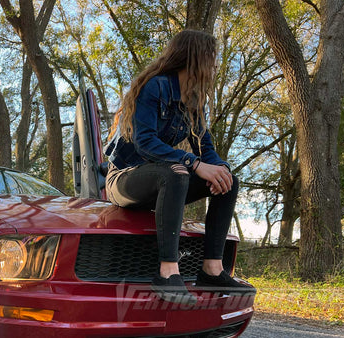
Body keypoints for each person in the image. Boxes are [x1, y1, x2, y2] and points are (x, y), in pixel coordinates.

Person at [104, 30, 254, 304]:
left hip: (162, 178)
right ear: (194, 58)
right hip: (124, 179)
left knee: (228, 180)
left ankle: (212, 268)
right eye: (211, 57)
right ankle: (167, 272)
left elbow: (205, 147)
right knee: (177, 172)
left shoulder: (194, 102)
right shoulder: (155, 87)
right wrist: (195, 164)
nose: (215, 65)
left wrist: (218, 169)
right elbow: (144, 142)